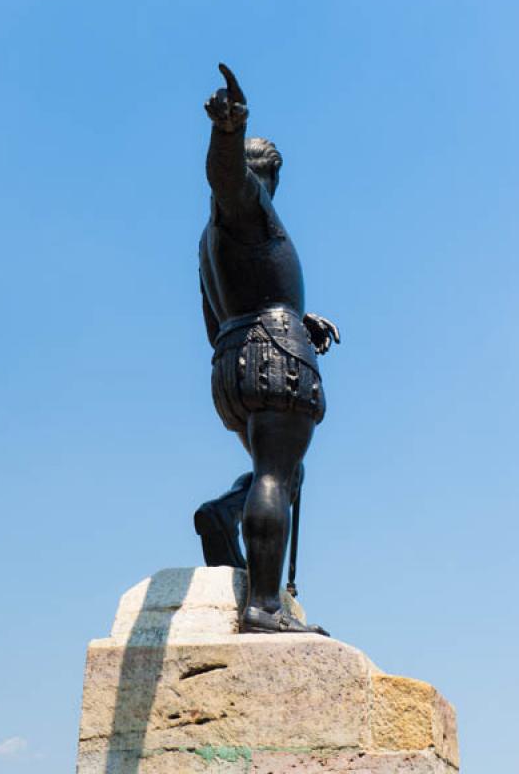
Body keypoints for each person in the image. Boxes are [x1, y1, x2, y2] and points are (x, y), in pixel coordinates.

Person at [197, 64, 339, 634]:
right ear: (270, 176)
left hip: (234, 356)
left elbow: (225, 310)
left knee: (276, 472)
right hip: (273, 356)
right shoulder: (246, 203)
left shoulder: (210, 242)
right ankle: (264, 606)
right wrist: (228, 134)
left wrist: (299, 316)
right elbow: (227, 180)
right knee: (278, 475)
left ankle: (225, 514)